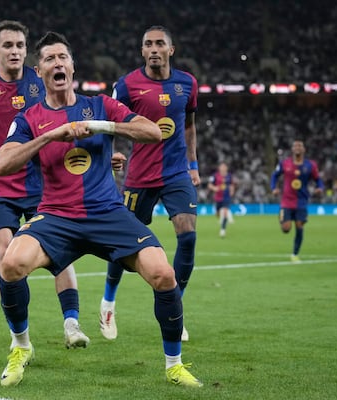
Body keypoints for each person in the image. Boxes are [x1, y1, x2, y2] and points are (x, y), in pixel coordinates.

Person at [0, 31, 202, 388]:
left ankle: (174, 365)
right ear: (39, 71)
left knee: (163, 273)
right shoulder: (30, 117)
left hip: (107, 213)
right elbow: (2, 163)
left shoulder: (101, 105)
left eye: (63, 57)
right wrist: (50, 136)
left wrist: (100, 127)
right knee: (11, 263)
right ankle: (21, 346)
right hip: (56, 217)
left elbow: (152, 131)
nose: (57, 63)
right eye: (49, 59)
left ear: (72, 67)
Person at [0, 21, 89, 349]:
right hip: (3, 187)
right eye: (8, 46)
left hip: (43, 187)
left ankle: (72, 324)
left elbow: (67, 114)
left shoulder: (39, 80)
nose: (15, 52)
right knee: (5, 251)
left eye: (21, 46)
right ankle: (18, 336)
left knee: (59, 256)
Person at [99, 25, 200, 342]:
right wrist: (111, 153)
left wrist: (193, 165)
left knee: (188, 236)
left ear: (171, 49)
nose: (154, 48)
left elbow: (189, 125)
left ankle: (175, 310)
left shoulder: (188, 83)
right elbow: (110, 121)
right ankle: (108, 302)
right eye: (148, 44)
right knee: (123, 246)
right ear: (142, 51)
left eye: (160, 44)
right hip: (140, 177)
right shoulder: (127, 85)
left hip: (176, 173)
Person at [270, 140, 324, 262]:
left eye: (300, 145)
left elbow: (318, 179)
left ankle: (294, 254)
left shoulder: (311, 165)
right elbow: (274, 175)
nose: (297, 147)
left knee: (299, 226)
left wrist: (320, 187)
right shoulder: (285, 163)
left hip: (301, 201)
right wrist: (274, 188)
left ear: (304, 149)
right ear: (292, 149)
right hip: (286, 201)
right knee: (286, 228)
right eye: (295, 146)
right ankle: (282, 217)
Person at [208, 162, 235, 238]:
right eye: (221, 167)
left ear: (226, 168)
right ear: (219, 168)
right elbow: (209, 185)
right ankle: (221, 218)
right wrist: (214, 188)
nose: (223, 168)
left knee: (225, 211)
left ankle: (223, 230)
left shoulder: (229, 176)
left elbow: (232, 184)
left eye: (224, 167)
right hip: (218, 198)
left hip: (226, 197)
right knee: (217, 214)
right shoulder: (215, 176)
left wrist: (232, 191)